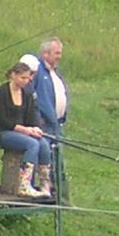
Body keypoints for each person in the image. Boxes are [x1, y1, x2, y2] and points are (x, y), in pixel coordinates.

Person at [0, 62, 53, 198]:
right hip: (4, 132)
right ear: (13, 75)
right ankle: (24, 184)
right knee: (32, 144)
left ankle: (44, 183)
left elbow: (32, 115)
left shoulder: (27, 93)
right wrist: (23, 129)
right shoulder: (1, 92)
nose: (26, 81)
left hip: (22, 132)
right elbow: (1, 119)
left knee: (43, 144)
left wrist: (35, 128)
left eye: (28, 78)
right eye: (22, 78)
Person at [27, 37, 68, 201]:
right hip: (43, 124)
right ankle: (39, 191)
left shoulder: (54, 72)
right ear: (45, 53)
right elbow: (35, 98)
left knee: (57, 160)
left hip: (56, 124)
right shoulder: (38, 72)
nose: (59, 56)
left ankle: (60, 195)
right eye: (56, 53)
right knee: (44, 158)